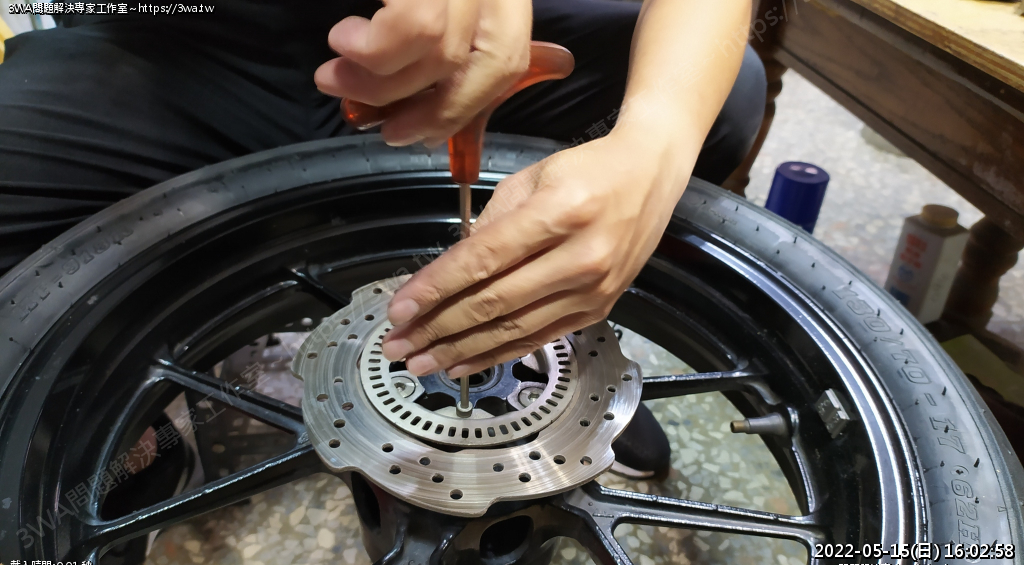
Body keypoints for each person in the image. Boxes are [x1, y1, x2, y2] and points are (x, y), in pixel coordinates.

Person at [0, 0, 765, 477]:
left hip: (483, 43)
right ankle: (112, 456)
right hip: (186, 44)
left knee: (722, 95)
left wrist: (657, 138)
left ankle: (554, 333)